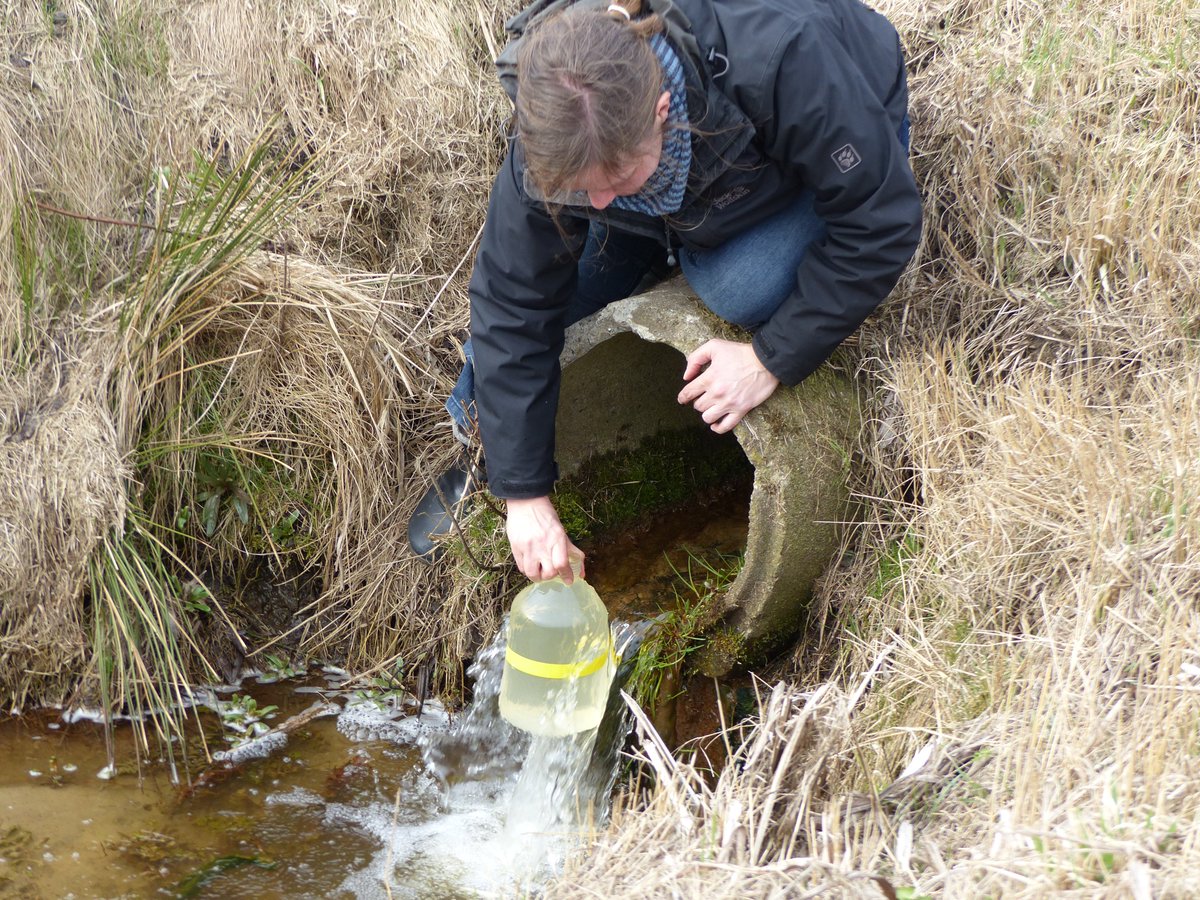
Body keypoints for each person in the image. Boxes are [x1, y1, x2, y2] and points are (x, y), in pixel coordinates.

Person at [409, 0, 921, 583]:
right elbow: (512, 300)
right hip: (666, 194)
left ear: (661, 109)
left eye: (617, 183)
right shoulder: (554, 117)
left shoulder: (779, 56)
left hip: (808, 147)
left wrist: (768, 357)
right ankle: (488, 457)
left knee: (739, 285)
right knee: (554, 294)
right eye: (586, 191)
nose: (597, 206)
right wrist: (524, 495)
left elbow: (881, 219)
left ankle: (674, 243)